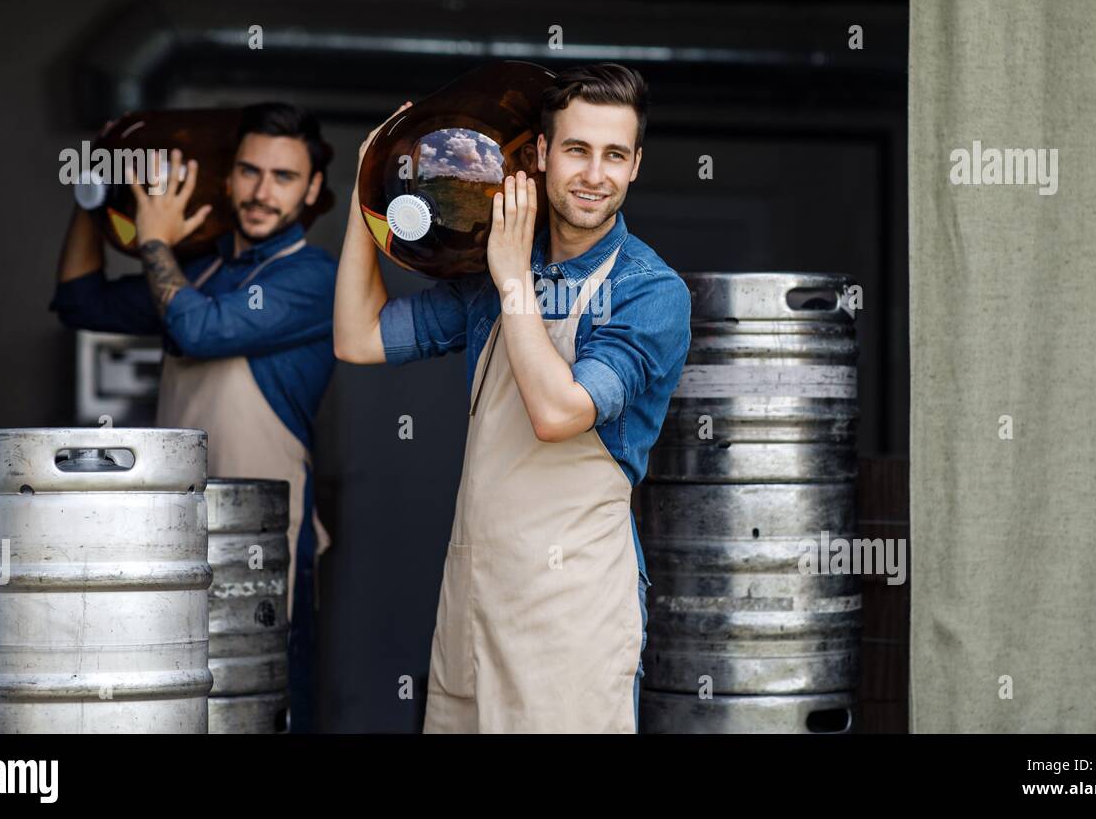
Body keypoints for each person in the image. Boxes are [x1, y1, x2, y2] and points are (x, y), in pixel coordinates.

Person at [334, 63, 691, 732]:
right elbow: (357, 338)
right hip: (473, 596)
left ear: (636, 165)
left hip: (570, 614)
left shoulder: (651, 292)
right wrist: (366, 193)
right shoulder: (496, 266)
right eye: (578, 150)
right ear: (541, 154)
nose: (594, 174)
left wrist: (511, 282)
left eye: (615, 155)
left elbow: (558, 414)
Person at [50, 103, 337, 732]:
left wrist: (153, 239)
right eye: (249, 171)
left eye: (284, 177)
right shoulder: (198, 270)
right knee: (176, 707)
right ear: (227, 176)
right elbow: (80, 300)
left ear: (312, 189)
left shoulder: (316, 278)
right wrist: (95, 195)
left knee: (259, 710)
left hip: (265, 543)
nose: (262, 192)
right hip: (176, 535)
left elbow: (201, 331)